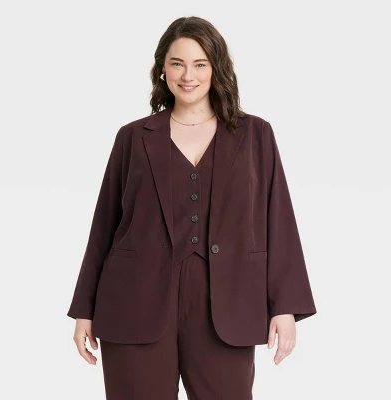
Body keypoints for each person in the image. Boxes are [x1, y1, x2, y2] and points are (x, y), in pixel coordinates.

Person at [67, 16, 317, 400]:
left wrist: (284, 306)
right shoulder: (133, 137)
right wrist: (85, 307)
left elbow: (278, 220)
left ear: (217, 68)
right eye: (177, 63)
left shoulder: (255, 135)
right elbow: (104, 225)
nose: (188, 75)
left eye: (200, 64)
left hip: (227, 302)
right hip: (135, 299)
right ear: (162, 70)